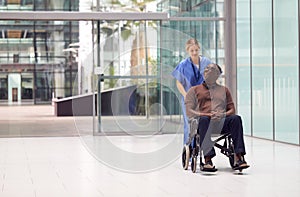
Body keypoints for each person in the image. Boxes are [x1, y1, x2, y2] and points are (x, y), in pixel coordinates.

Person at [185, 63, 250, 171]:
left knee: (236, 118)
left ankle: (239, 157)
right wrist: (206, 114)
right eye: (206, 70)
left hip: (221, 122)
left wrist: (223, 114)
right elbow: (189, 111)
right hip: (203, 123)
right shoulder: (194, 90)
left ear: (217, 74)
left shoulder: (224, 90)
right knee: (204, 120)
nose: (208, 71)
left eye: (211, 70)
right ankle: (208, 159)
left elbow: (232, 109)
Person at [172, 38, 212, 145]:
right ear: (187, 51)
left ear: (199, 49)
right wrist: (186, 95)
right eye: (191, 51)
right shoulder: (183, 65)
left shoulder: (206, 62)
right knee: (190, 124)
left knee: (204, 122)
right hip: (189, 99)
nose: (194, 53)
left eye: (196, 50)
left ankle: (205, 151)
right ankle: (190, 150)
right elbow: (179, 83)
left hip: (204, 98)